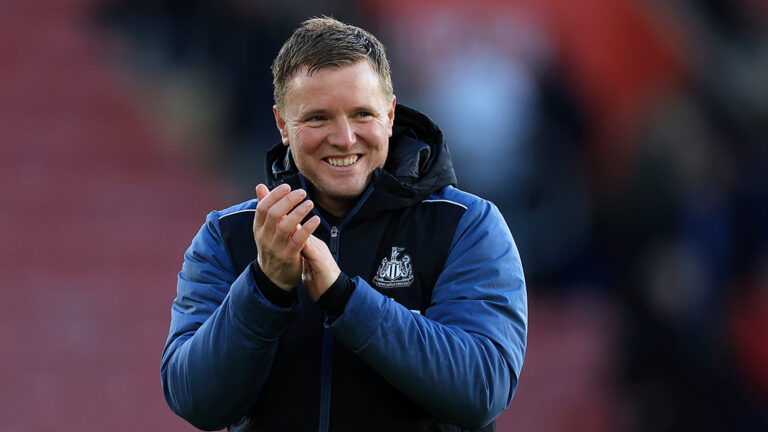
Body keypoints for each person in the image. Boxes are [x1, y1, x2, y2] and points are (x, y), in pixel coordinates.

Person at [161, 16, 528, 432]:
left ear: (390, 115)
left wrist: (344, 299)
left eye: (362, 114)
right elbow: (194, 400)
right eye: (317, 118)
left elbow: (481, 391)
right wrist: (264, 288)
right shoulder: (228, 236)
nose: (344, 137)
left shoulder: (467, 226)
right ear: (283, 125)